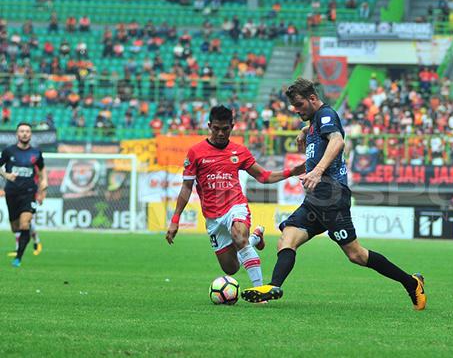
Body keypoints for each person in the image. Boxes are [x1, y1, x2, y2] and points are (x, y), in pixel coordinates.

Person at [241, 79, 426, 310]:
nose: (296, 110)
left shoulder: (326, 114)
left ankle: (412, 283)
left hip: (331, 196)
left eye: (299, 105)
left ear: (312, 98)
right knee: (287, 238)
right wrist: (304, 131)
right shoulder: (314, 122)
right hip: (313, 200)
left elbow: (337, 140)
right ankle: (273, 286)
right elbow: (317, 132)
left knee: (356, 255)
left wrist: (317, 171)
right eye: (293, 107)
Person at [166, 105, 305, 290]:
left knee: (239, 237)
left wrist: (291, 172)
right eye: (216, 128)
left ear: (232, 126)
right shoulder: (196, 152)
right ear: (209, 126)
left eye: (225, 129)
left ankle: (259, 292)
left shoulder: (239, 151)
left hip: (235, 206)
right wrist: (175, 219)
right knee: (230, 268)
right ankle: (255, 238)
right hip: (212, 216)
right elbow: (186, 187)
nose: (221, 133)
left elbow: (263, 176)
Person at [0, 123, 47, 268]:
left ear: (31, 134)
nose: (25, 133)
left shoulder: (36, 152)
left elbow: (42, 169)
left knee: (24, 223)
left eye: (27, 131)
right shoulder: (9, 151)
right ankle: (30, 236)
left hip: (29, 193)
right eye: (22, 131)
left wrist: (43, 184)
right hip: (12, 193)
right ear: (17, 134)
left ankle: (18, 258)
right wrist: (6, 175)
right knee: (16, 227)